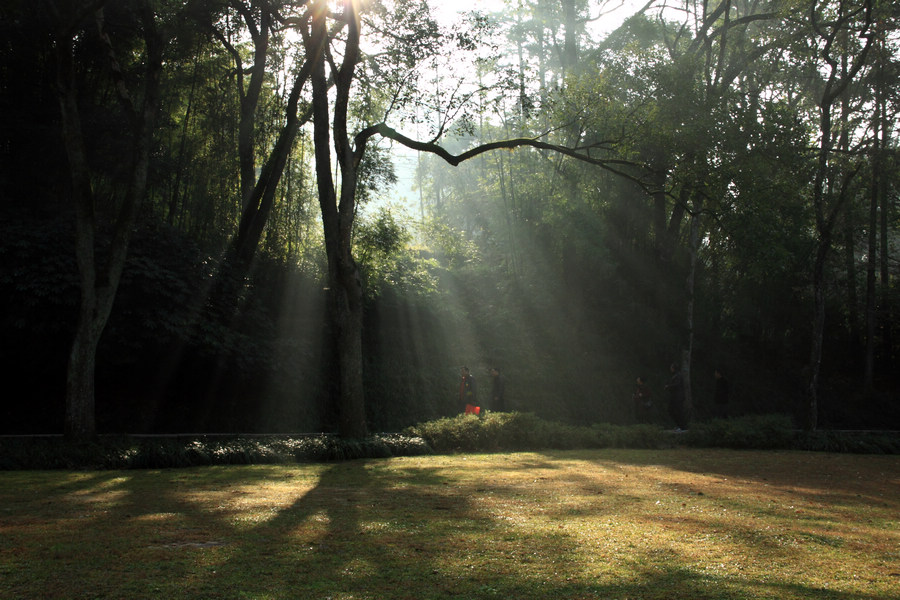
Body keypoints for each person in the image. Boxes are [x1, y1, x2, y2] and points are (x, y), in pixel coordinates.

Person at [664, 363, 688, 430]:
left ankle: (682, 426)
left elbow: (677, 385)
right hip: (675, 396)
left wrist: (668, 386)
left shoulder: (678, 375)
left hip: (678, 397)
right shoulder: (675, 375)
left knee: (678, 411)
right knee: (672, 410)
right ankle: (679, 425)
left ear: (674, 368)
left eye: (671, 367)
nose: (670, 369)